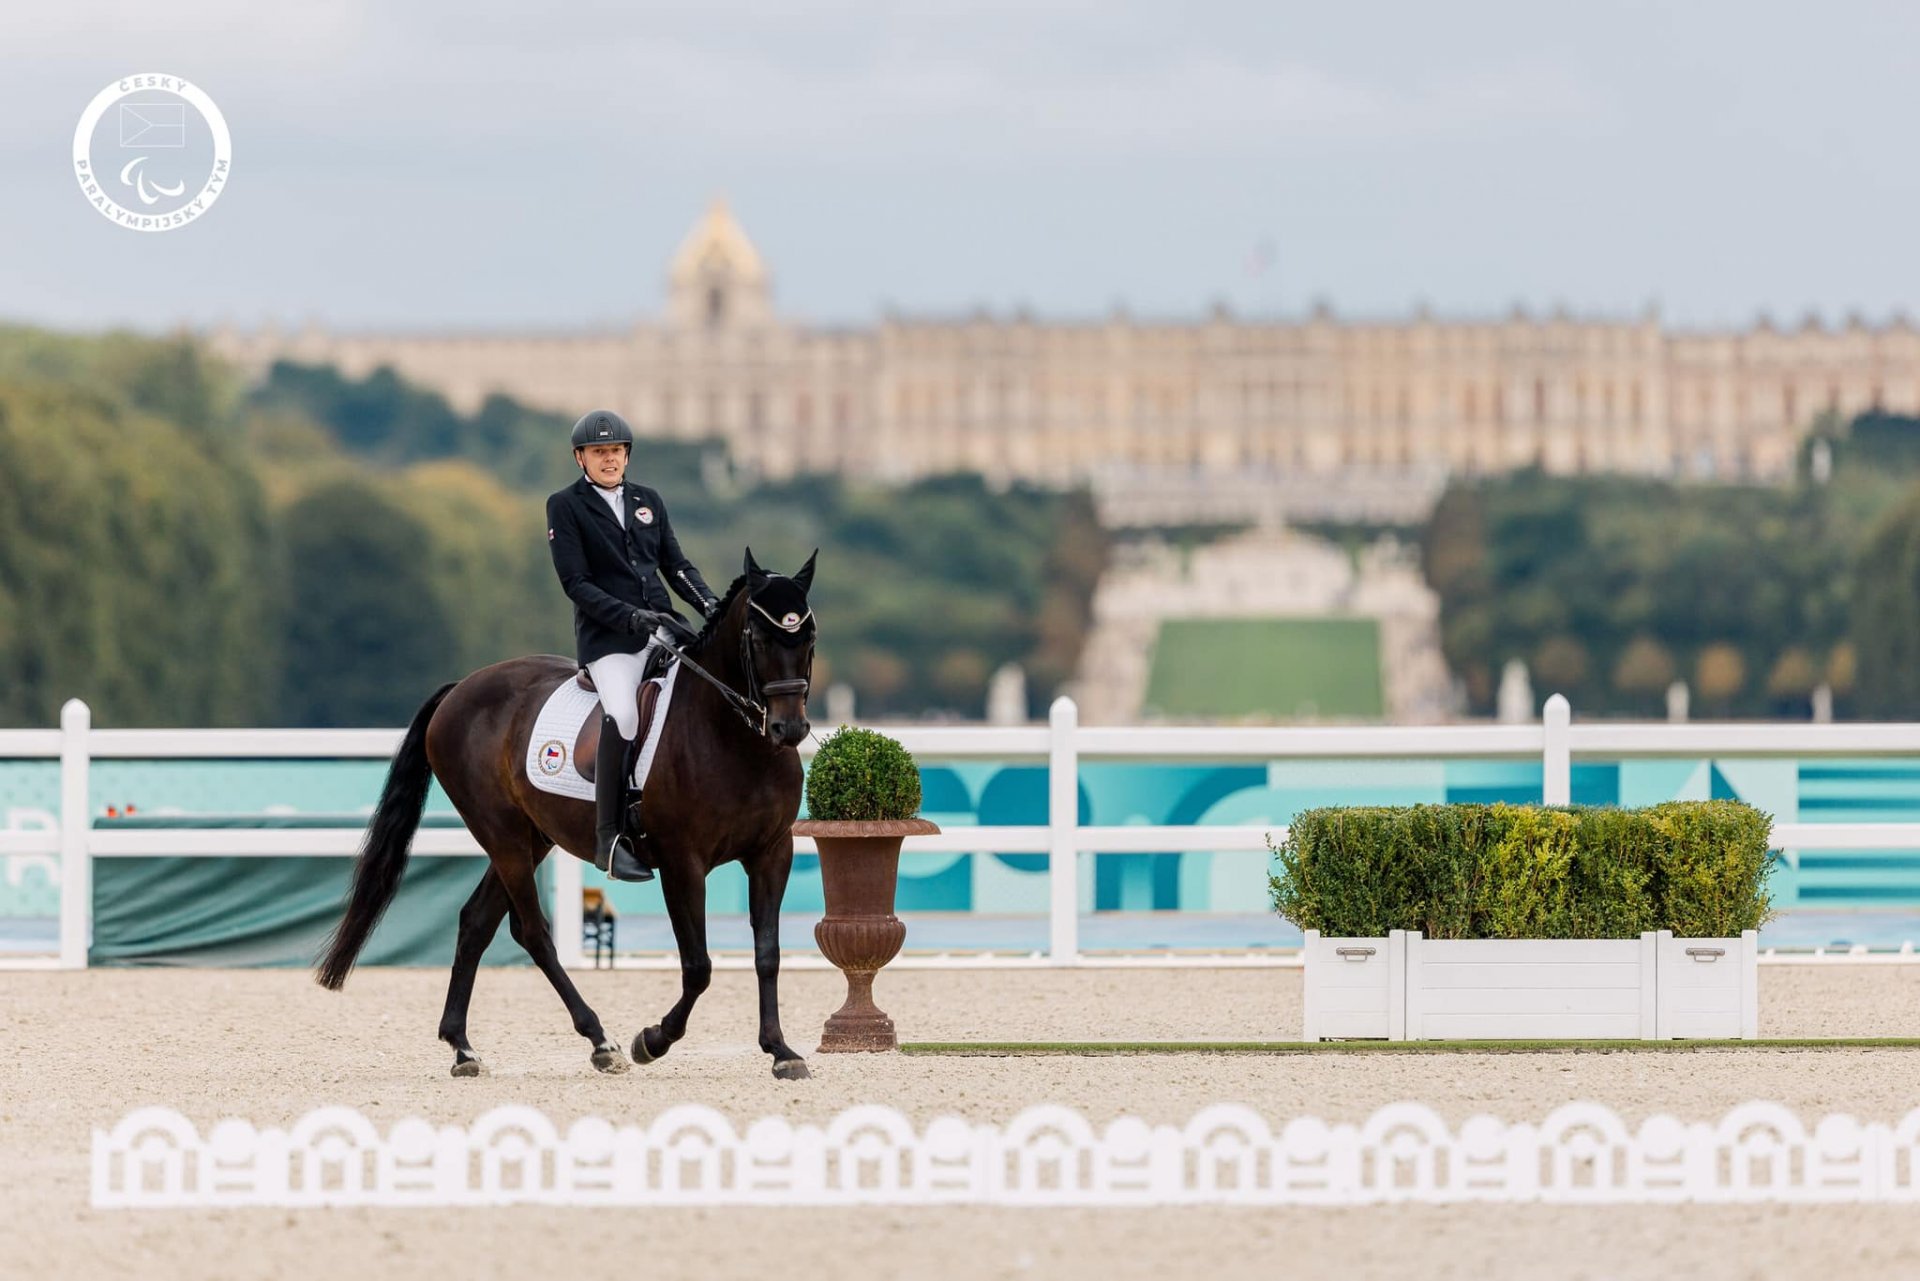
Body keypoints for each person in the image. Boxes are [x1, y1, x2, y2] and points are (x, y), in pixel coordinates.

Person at [546, 409, 720, 882]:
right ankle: (609, 838)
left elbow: (676, 565)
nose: (609, 459)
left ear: (627, 455)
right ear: (581, 457)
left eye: (616, 451)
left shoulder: (648, 500)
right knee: (623, 714)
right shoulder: (565, 505)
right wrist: (627, 615)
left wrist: (711, 605)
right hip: (610, 640)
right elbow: (576, 582)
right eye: (599, 452)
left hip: (663, 628)